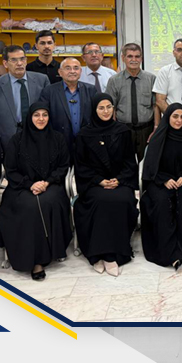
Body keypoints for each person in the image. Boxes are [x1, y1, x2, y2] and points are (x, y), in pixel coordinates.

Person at [0, 102, 72, 281]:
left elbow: (63, 166)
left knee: (48, 202)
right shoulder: (16, 140)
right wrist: (30, 184)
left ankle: (49, 253)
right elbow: (11, 170)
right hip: (21, 187)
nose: (41, 119)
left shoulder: (58, 138)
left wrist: (47, 182)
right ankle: (32, 259)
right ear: (29, 118)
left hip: (51, 185)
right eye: (36, 115)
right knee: (28, 207)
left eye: (44, 115)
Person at [72, 93, 139, 276]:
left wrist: (119, 179)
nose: (106, 111)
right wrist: (99, 180)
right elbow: (81, 166)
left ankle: (113, 254)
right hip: (94, 184)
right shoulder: (84, 135)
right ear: (94, 110)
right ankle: (99, 254)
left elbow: (130, 162)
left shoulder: (123, 131)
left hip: (120, 182)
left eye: (109, 107)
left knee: (122, 200)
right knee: (101, 202)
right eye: (101, 108)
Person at [140, 103, 182, 270]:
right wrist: (164, 180)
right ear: (167, 117)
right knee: (161, 203)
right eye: (175, 116)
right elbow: (150, 165)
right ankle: (170, 252)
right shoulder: (158, 137)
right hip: (160, 180)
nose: (179, 120)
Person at [0, 45, 50, 148]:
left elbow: (49, 111)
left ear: (26, 61)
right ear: (5, 63)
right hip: (7, 141)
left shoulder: (42, 80)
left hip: (38, 137)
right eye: (14, 60)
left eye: (22, 59)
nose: (19, 63)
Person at [106, 43, 158, 162]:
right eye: (130, 56)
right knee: (124, 164)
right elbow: (111, 107)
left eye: (137, 56)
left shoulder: (151, 79)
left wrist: (156, 128)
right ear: (123, 58)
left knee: (147, 163)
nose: (134, 60)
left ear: (141, 58)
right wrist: (113, 130)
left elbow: (156, 106)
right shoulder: (114, 80)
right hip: (123, 129)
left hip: (146, 130)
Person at [39, 57, 94, 152]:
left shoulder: (91, 90)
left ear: (80, 71)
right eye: (68, 68)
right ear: (60, 72)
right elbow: (43, 116)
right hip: (58, 143)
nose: (72, 71)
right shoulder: (49, 91)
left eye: (76, 68)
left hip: (86, 142)